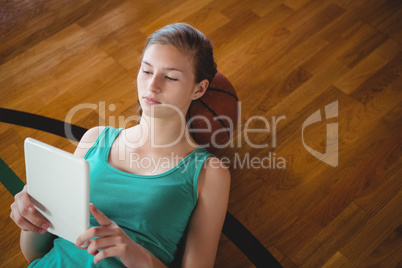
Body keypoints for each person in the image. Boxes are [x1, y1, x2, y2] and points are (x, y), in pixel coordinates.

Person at [10, 23, 231, 267]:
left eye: (170, 77)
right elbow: (35, 253)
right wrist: (31, 215)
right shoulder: (95, 140)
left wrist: (137, 256)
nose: (152, 85)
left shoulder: (209, 173)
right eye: (147, 71)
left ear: (198, 89)